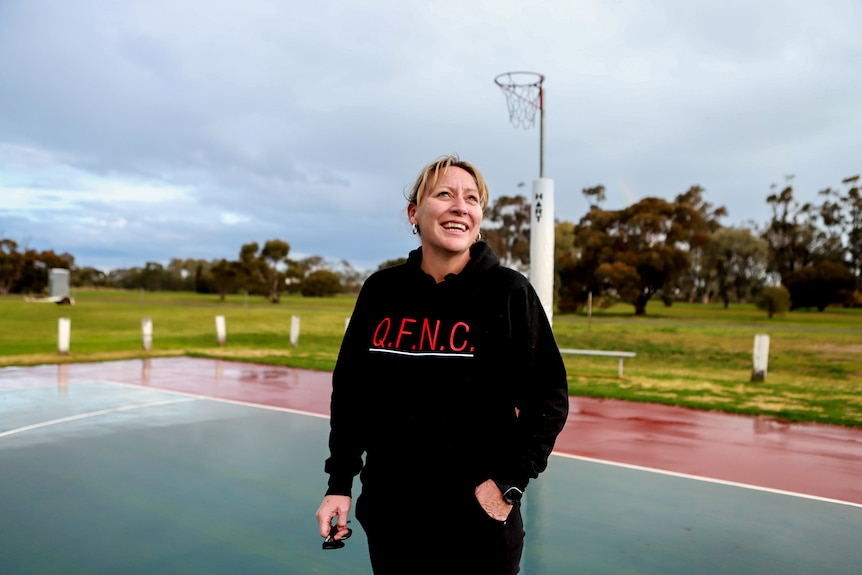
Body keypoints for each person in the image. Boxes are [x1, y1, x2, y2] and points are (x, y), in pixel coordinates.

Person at [315, 154, 569, 574]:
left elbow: (549, 401)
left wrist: (506, 486)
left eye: (471, 198)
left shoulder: (508, 292)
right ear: (414, 212)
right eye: (444, 194)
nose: (459, 206)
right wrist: (339, 484)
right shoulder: (381, 291)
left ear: (479, 217)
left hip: (478, 526)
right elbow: (352, 396)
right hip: (392, 519)